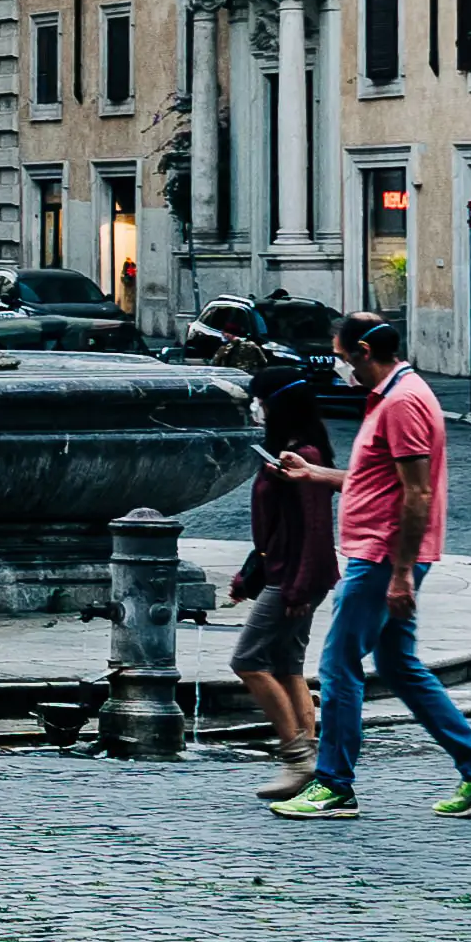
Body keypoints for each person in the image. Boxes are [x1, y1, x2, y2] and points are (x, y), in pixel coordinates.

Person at [270, 311, 471, 823]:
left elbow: (418, 493)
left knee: (338, 665)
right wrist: (314, 473)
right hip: (386, 553)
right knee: (399, 665)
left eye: (339, 355)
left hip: (382, 556)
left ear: (361, 351)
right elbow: (376, 480)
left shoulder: (402, 402)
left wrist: (401, 573)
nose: (337, 367)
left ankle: (334, 785)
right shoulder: (395, 394)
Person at [188, 305, 345, 770]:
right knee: (287, 664)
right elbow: (275, 528)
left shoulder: (305, 455)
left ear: (278, 404)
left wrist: (297, 586)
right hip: (288, 573)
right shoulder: (286, 453)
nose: (256, 407)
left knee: (248, 661)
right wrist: (250, 575)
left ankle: (296, 754)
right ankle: (313, 759)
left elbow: (314, 526)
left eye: (260, 399)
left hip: (296, 577)